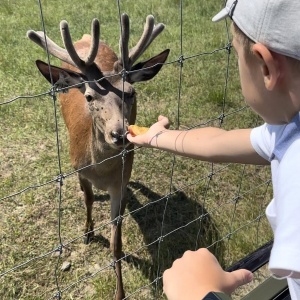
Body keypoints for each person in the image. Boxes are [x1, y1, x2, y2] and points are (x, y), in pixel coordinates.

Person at [127, 0, 300, 298]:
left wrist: (197, 292)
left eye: (236, 52)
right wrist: (158, 136)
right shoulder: (289, 129)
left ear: (266, 67)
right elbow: (218, 142)